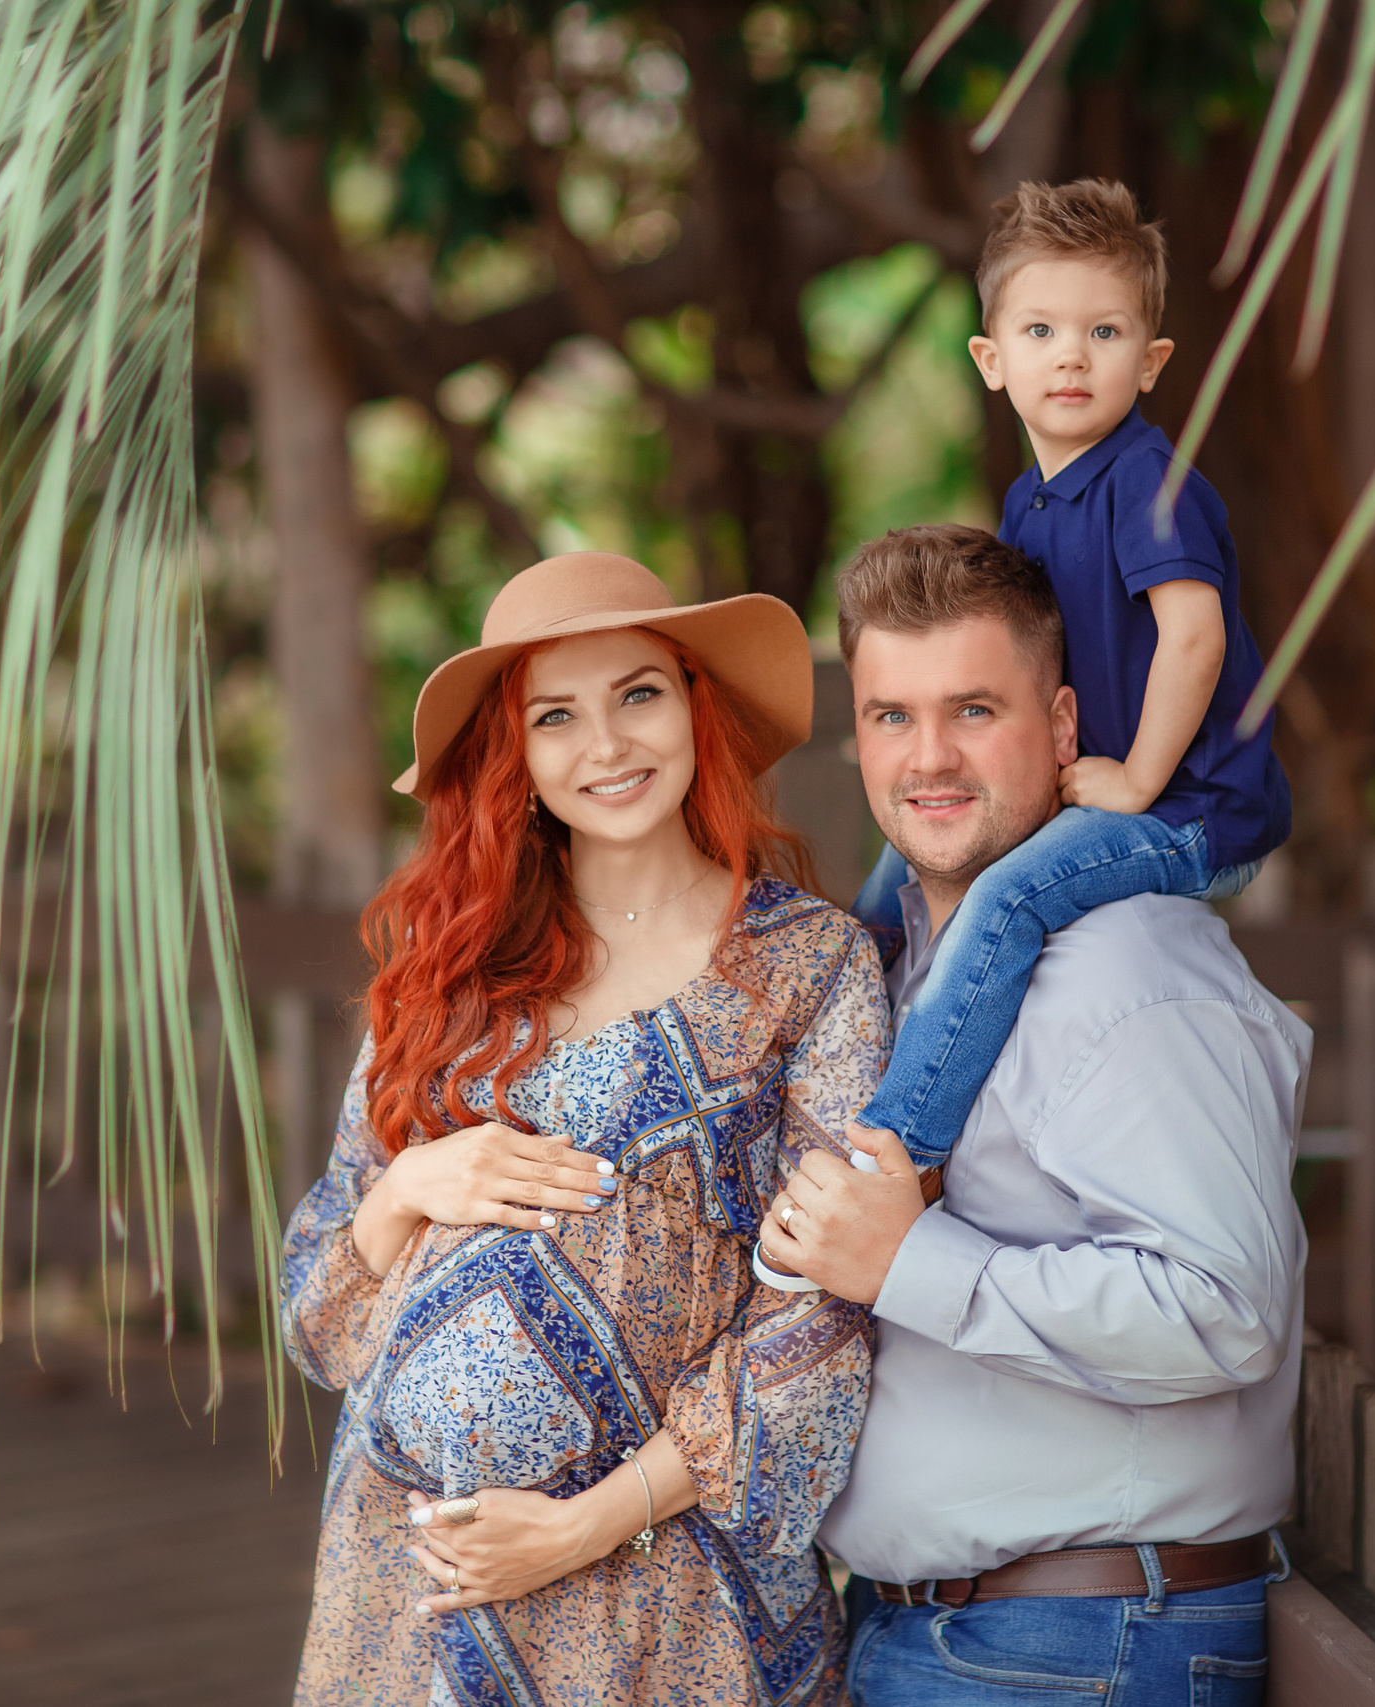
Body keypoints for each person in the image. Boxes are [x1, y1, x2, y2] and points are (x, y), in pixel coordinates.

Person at [280, 552, 890, 1706]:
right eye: (555, 715)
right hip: (407, 1582)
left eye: (638, 693)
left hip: (662, 1585)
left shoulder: (808, 968)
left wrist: (583, 1526)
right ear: (515, 755)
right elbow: (320, 1310)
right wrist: (410, 1179)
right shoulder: (448, 979)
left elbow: (815, 1320)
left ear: (694, 704)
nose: (605, 745)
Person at [765, 527, 1310, 1705]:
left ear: (1062, 728)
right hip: (950, 1636)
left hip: (1080, 1645)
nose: (929, 759)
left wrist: (909, 1260)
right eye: (890, 717)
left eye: (974, 710)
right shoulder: (911, 966)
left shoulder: (1127, 971)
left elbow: (1224, 1313)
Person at [849, 178, 1293, 1169]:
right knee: (903, 862)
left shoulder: (1146, 481)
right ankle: (828, 1028)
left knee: (1005, 896)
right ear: (991, 360)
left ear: (1150, 362)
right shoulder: (1031, 500)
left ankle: (895, 1146)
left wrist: (1135, 782)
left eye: (1103, 332)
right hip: (1107, 780)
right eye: (1042, 330)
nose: (1071, 355)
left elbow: (1195, 639)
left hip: (1190, 808)